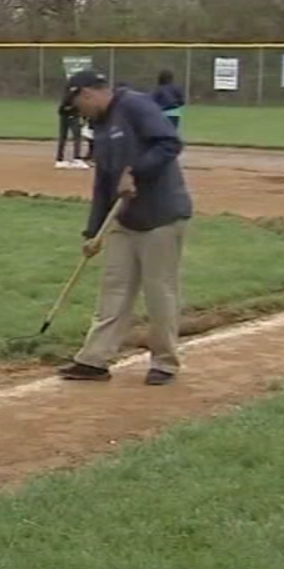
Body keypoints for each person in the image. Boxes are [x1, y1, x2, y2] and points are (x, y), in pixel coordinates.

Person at [56, 70, 193, 386]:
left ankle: (164, 362)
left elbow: (169, 143)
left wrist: (137, 171)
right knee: (114, 288)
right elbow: (103, 182)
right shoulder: (101, 125)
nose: (79, 113)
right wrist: (93, 232)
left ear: (88, 94)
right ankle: (94, 360)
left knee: (160, 291)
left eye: (78, 105)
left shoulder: (136, 106)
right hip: (124, 219)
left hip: (161, 215)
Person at [56, 97, 90, 168]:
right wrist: (84, 118)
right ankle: (77, 159)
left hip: (65, 114)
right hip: (73, 115)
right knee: (77, 137)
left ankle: (59, 160)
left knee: (63, 136)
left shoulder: (69, 90)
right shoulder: (79, 91)